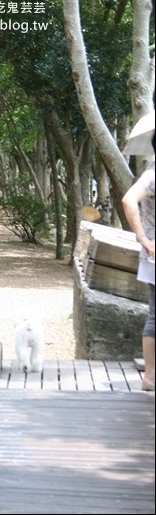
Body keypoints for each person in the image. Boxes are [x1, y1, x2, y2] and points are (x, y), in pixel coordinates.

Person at [122, 163, 154, 392]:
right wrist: (142, 237)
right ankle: (150, 376)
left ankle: (151, 377)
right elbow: (128, 199)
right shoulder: (152, 175)